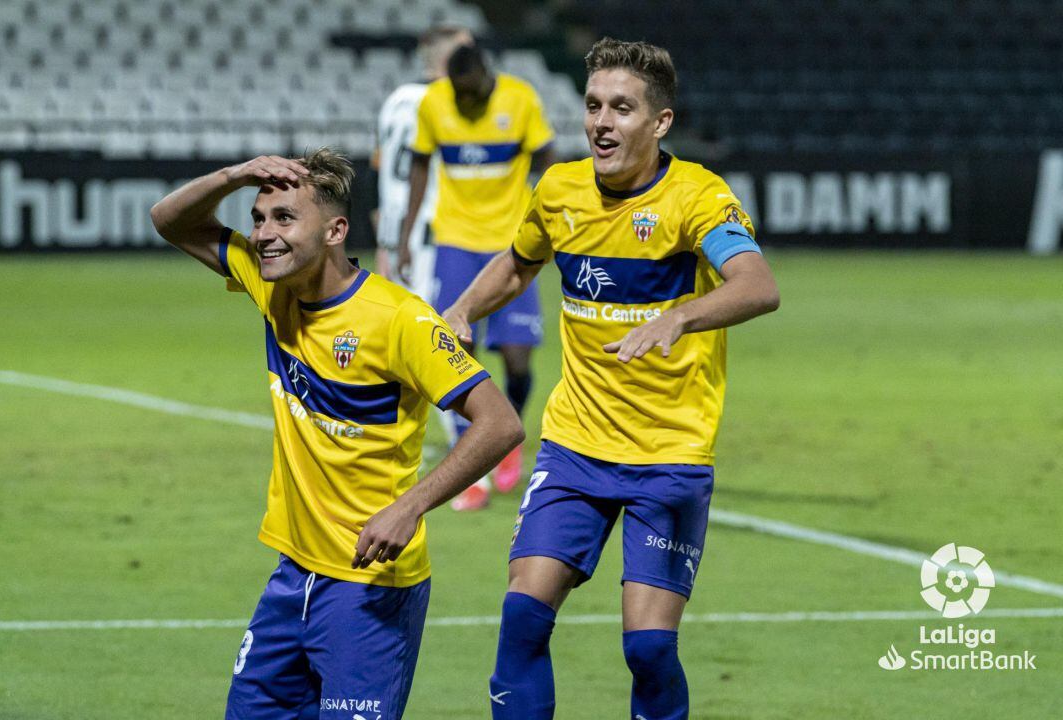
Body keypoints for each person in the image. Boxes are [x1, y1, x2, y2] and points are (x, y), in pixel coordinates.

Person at [442, 38, 780, 719]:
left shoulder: (697, 198)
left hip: (669, 454)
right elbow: (518, 262)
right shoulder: (561, 189)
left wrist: (680, 316)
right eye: (594, 106)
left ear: (660, 123)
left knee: (649, 650)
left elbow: (758, 285)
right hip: (575, 448)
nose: (602, 122)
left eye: (622, 109)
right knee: (522, 618)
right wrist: (461, 309)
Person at [149, 148, 523, 720]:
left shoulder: (401, 319)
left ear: (334, 231)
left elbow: (501, 423)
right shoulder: (268, 281)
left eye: (284, 219)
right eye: (257, 218)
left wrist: (411, 506)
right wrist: (236, 175)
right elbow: (168, 220)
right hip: (291, 576)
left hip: (368, 585)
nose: (264, 235)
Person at [400, 43, 557, 510]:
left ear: (487, 76)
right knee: (455, 350)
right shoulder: (434, 104)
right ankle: (471, 455)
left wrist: (545, 213)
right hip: (454, 240)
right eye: (459, 94)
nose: (465, 103)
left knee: (516, 359)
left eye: (472, 93)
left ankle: (507, 435)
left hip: (511, 243)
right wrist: (409, 234)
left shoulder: (520, 99)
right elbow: (421, 165)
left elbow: (547, 156)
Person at [372, 25, 473, 300]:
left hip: (395, 232)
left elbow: (378, 173)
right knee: (438, 331)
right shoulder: (449, 102)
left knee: (401, 327)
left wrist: (382, 244)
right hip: (434, 230)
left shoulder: (394, 100)